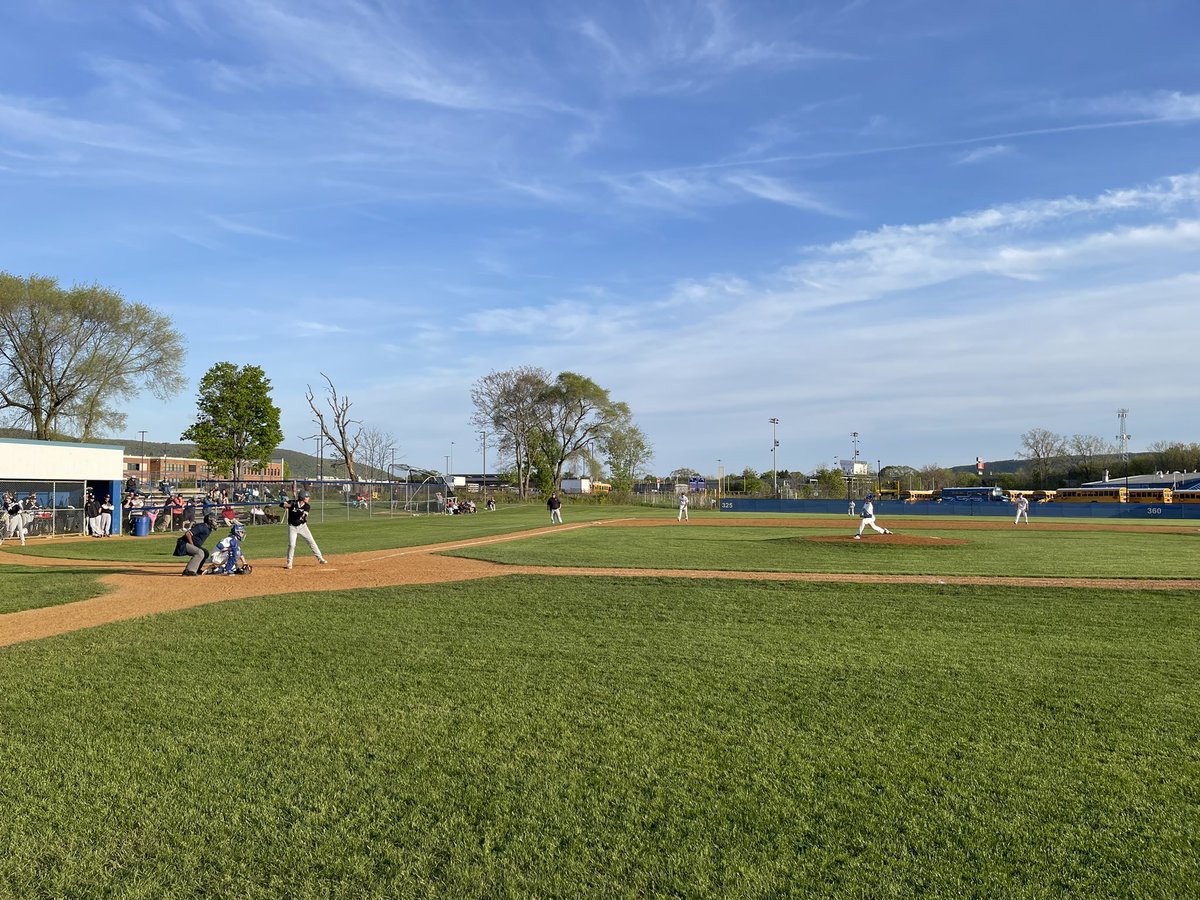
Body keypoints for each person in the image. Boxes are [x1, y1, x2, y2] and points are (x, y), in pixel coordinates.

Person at [283, 490, 326, 569]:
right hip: (292, 527)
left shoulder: (307, 506)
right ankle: (289, 563)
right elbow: (281, 504)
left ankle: (320, 559)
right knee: (292, 545)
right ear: (302, 497)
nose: (308, 498)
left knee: (311, 541)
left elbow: (304, 516)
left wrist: (301, 518)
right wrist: (289, 505)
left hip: (303, 527)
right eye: (307, 497)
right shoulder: (293, 502)